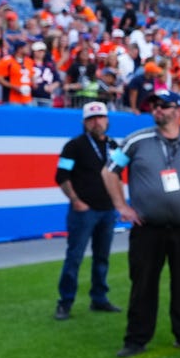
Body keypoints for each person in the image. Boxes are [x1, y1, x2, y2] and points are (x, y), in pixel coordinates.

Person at [103, 90, 180, 358]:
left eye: (163, 105)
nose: (156, 109)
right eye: (154, 106)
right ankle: (136, 338)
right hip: (148, 227)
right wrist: (121, 206)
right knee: (143, 283)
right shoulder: (137, 140)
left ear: (178, 109)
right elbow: (109, 171)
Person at [53, 101, 121, 320]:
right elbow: (61, 176)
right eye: (91, 119)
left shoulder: (113, 145)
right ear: (84, 122)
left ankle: (99, 298)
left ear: (107, 120)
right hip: (84, 211)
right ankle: (65, 302)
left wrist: (119, 203)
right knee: (74, 257)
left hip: (108, 210)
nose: (97, 122)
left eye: (100, 117)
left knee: (102, 257)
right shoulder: (74, 145)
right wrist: (75, 200)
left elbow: (118, 175)